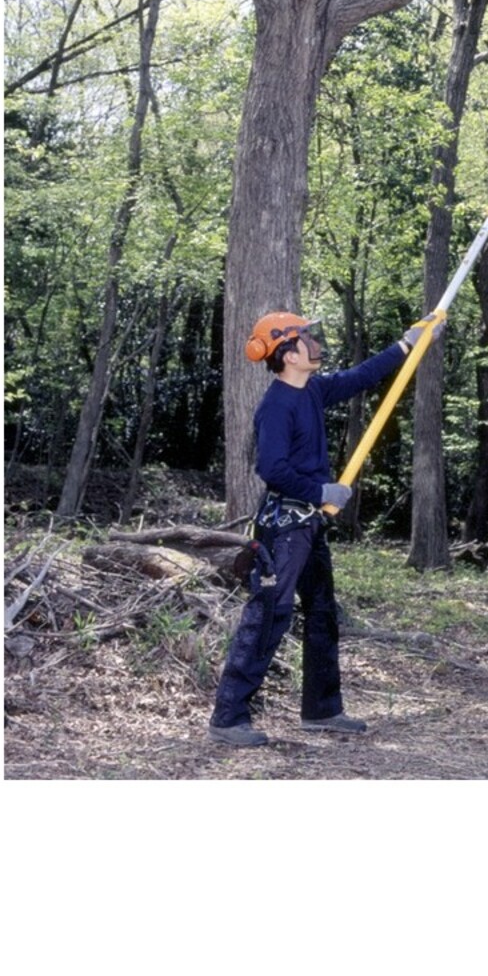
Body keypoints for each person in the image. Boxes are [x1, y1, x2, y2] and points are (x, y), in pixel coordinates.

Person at [208, 311, 427, 748]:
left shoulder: (312, 390)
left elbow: (361, 377)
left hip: (309, 526)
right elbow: (272, 468)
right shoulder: (276, 406)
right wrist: (320, 490)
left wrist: (408, 343)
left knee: (322, 612)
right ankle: (228, 717)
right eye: (306, 338)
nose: (316, 343)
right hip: (283, 530)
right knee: (268, 616)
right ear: (288, 354)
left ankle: (322, 710)